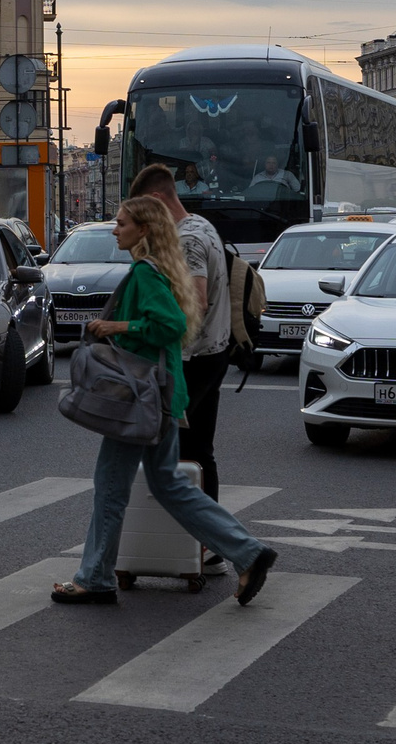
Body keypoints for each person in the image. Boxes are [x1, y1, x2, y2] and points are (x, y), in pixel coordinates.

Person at [50, 197, 278, 605]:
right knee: (168, 484)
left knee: (110, 486)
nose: (114, 229)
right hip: (162, 393)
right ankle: (248, 553)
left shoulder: (144, 272)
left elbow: (169, 325)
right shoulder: (162, 269)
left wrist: (116, 325)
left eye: (121, 223)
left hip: (140, 398)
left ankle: (95, 577)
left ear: (145, 230)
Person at [132, 165, 232, 506]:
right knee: (200, 451)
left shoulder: (187, 239)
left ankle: (196, 538)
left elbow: (197, 302)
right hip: (214, 352)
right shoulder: (202, 225)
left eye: (144, 211)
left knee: (180, 451)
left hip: (194, 359)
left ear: (158, 200)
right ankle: (208, 544)